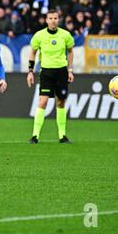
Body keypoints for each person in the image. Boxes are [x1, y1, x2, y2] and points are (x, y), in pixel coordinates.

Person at [26, 9, 74, 144]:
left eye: (55, 18)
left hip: (61, 72)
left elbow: (70, 52)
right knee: (43, 101)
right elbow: (33, 53)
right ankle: (35, 135)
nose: (53, 21)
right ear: (46, 20)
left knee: (61, 101)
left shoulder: (65, 35)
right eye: (50, 18)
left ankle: (62, 135)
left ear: (58, 20)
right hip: (46, 72)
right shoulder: (39, 35)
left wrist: (70, 70)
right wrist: (30, 71)